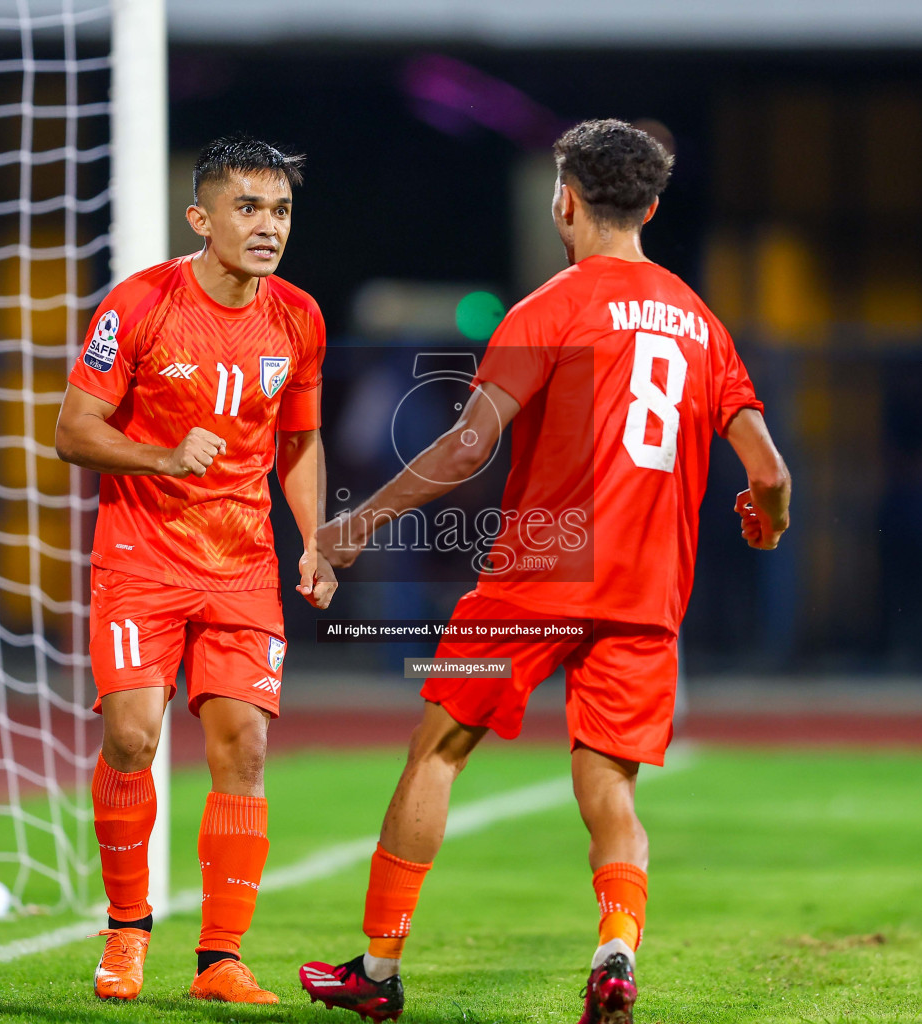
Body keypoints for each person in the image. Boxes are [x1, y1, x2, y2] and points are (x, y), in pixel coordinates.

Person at [297, 119, 791, 1024]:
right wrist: (768, 520)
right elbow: (770, 471)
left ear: (563, 198)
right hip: (644, 592)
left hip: (539, 575)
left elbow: (468, 445)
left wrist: (356, 524)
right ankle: (614, 947)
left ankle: (376, 968)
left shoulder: (549, 308)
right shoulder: (700, 323)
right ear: (648, 205)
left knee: (438, 750)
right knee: (610, 791)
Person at [53, 135, 336, 1005]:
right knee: (133, 735)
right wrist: (165, 455)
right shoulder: (138, 305)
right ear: (200, 217)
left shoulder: (299, 318)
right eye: (248, 208)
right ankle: (127, 932)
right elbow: (73, 431)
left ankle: (220, 960)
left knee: (244, 748)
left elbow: (299, 440)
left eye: (280, 209)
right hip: (142, 556)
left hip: (243, 563)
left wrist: (315, 538)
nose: (267, 226)